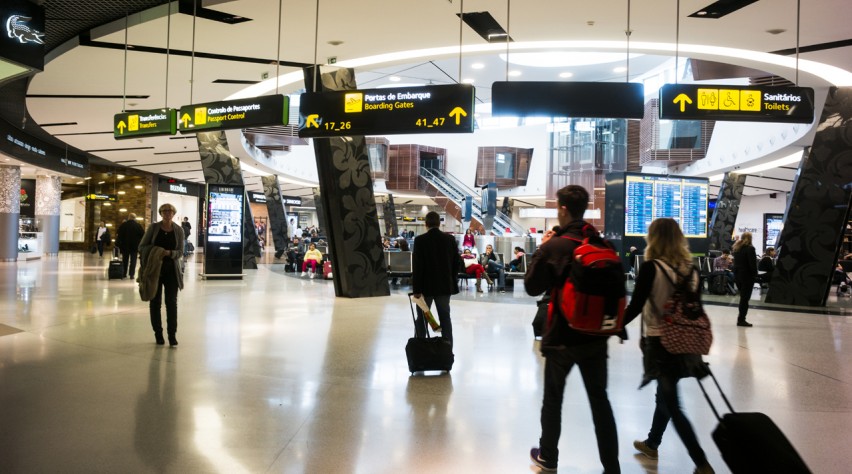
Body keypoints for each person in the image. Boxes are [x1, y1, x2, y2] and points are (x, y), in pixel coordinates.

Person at [524, 185, 620, 474]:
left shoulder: (556, 245)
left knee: (553, 399)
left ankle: (548, 458)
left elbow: (531, 286)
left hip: (562, 335)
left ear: (563, 209)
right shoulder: (602, 244)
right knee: (600, 401)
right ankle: (611, 467)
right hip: (595, 336)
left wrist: (543, 247)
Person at [623, 218, 715, 474]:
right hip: (687, 342)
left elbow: (636, 306)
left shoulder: (651, 267)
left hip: (660, 342)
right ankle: (652, 443)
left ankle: (701, 462)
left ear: (654, 238)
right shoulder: (692, 269)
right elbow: (694, 309)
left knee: (672, 403)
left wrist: (614, 326)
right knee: (665, 392)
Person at [138, 203, 185, 347]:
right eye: (165, 211)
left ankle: (172, 335)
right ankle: (158, 334)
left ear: (174, 213)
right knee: (155, 302)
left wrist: (170, 253)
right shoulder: (153, 228)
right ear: (160, 213)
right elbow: (141, 247)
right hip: (154, 270)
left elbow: (180, 252)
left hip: (172, 270)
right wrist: (157, 250)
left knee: (171, 303)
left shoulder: (179, 230)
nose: (167, 213)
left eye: (170, 211)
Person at [412, 211, 462, 347]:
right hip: (444, 287)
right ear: (439, 224)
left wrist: (416, 289)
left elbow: (417, 267)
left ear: (426, 224)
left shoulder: (420, 240)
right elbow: (456, 263)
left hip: (425, 288)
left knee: (422, 318)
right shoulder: (449, 240)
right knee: (445, 317)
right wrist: (452, 280)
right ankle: (447, 349)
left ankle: (420, 348)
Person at [732, 232, 757, 327]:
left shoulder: (737, 248)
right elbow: (752, 264)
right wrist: (755, 275)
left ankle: (741, 319)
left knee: (743, 298)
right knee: (745, 299)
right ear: (750, 238)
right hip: (747, 277)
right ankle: (741, 320)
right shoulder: (750, 249)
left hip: (738, 276)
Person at [116, 213, 144, 279]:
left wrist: (119, 244)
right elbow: (143, 235)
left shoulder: (123, 225)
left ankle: (124, 273)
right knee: (133, 260)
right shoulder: (138, 225)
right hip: (135, 246)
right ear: (135, 218)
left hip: (125, 245)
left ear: (129, 217)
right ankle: (132, 274)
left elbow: (119, 235)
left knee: (125, 260)